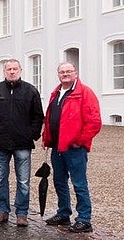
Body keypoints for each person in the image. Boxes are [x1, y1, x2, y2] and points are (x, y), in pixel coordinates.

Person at [0, 59, 44, 227]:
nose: (11, 71)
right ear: (4, 71)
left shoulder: (30, 90)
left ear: (20, 70)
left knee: (23, 181)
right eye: (9, 69)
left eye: (14, 69)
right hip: (0, 143)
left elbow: (38, 115)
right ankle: (2, 210)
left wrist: (32, 134)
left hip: (22, 143)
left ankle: (22, 213)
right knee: (0, 179)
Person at [43, 62, 102, 234]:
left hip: (74, 148)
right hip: (57, 147)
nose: (65, 74)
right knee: (59, 181)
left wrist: (80, 141)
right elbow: (51, 117)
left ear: (76, 73)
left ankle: (84, 219)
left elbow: (94, 122)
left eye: (69, 71)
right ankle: (63, 213)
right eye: (62, 72)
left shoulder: (85, 93)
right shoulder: (57, 92)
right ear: (58, 74)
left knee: (79, 183)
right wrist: (47, 138)